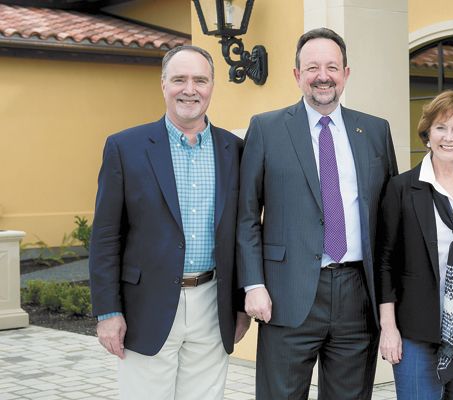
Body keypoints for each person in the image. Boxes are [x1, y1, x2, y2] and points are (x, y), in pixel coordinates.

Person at [236, 27, 398, 399]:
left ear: (345, 73)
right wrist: (253, 284)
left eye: (331, 67)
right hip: (285, 293)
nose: (322, 76)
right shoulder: (266, 128)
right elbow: (247, 216)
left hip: (358, 295)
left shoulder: (374, 131)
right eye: (312, 68)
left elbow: (390, 219)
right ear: (297, 75)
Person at [89, 45, 249, 400]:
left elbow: (243, 234)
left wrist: (239, 304)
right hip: (145, 306)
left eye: (200, 80)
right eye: (179, 79)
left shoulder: (236, 151)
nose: (189, 89)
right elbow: (105, 237)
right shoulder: (125, 147)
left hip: (212, 302)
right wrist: (108, 311)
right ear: (163, 85)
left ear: (212, 86)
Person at [375, 90, 453, 399]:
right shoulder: (401, 188)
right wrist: (388, 328)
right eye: (441, 127)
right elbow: (385, 262)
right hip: (415, 334)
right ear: (427, 133)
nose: (448, 137)